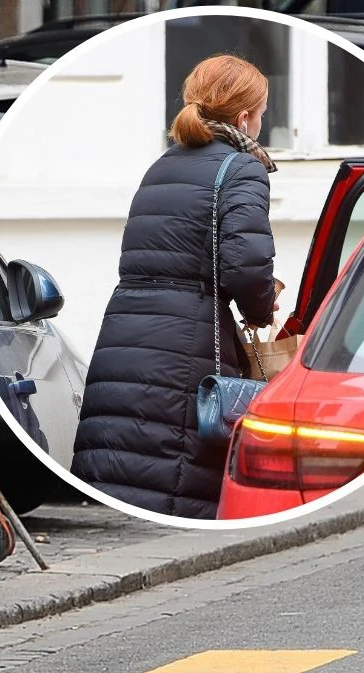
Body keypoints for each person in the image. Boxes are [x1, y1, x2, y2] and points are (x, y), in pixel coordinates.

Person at [71, 53, 280, 521]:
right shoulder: (240, 168)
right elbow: (246, 267)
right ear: (245, 116)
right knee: (175, 470)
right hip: (186, 342)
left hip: (125, 334)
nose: (262, 124)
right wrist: (262, 310)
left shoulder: (161, 166)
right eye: (263, 114)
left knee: (121, 459)